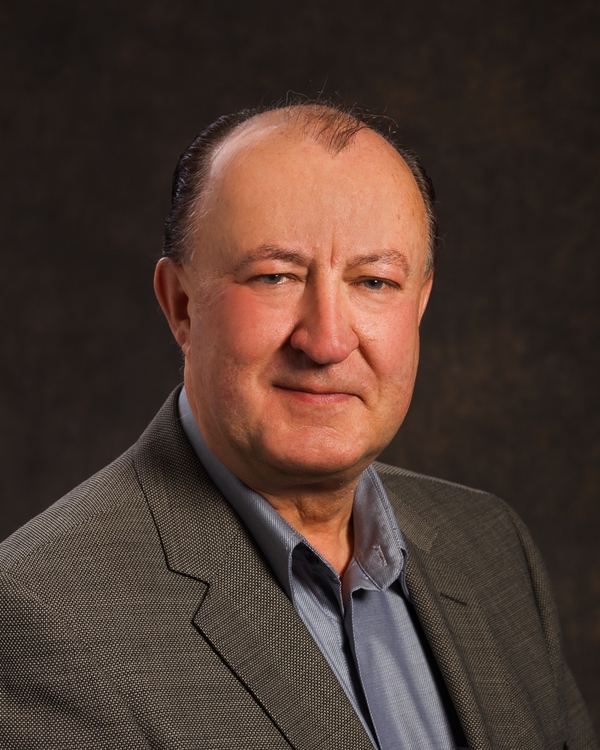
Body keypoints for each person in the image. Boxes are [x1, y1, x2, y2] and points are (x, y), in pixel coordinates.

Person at [0, 100, 596, 750]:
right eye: (276, 276)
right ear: (181, 306)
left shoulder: (492, 548)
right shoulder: (46, 613)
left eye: (374, 282)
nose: (327, 341)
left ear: (420, 303)